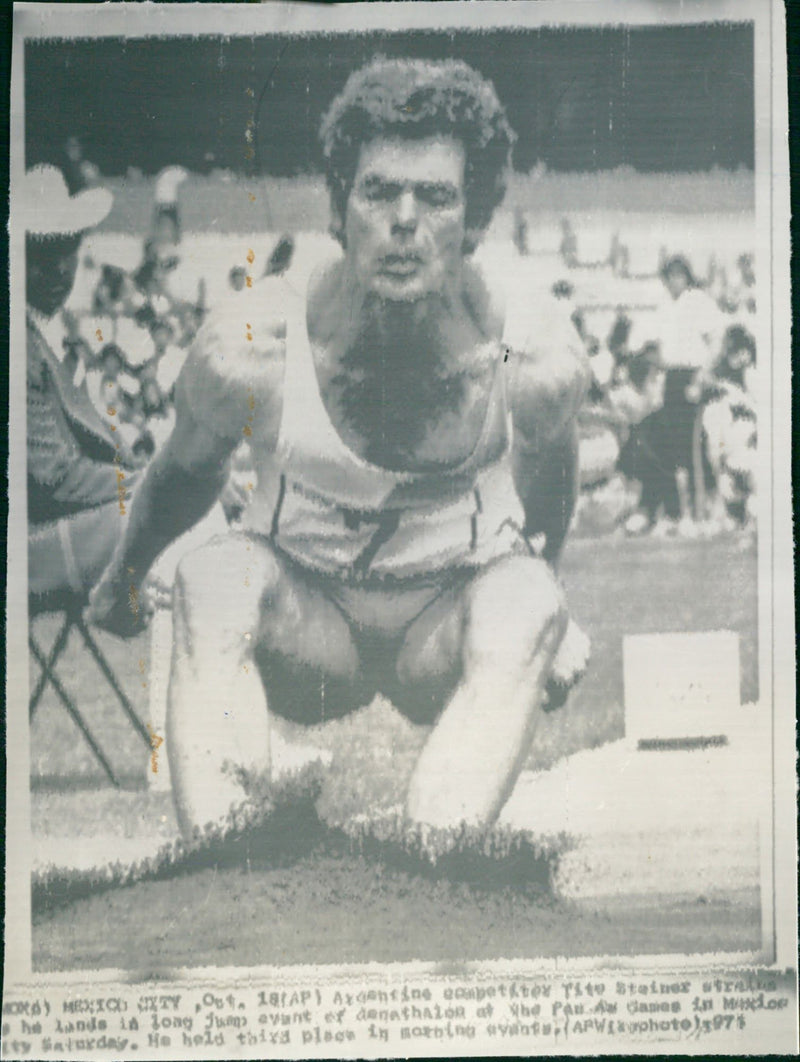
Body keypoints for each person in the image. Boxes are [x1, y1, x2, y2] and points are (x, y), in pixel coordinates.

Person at [89, 58, 590, 841]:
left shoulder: (530, 355)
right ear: (338, 205)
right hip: (310, 628)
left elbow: (552, 481)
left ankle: (433, 862)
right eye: (379, 190)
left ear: (476, 218)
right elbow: (184, 474)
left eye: (435, 196)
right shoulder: (249, 346)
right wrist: (121, 579)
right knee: (211, 573)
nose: (403, 219)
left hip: (443, 625)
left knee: (527, 599)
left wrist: (551, 605)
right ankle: (225, 856)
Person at [22, 164, 138, 596]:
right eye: (39, 255)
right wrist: (147, 483)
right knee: (172, 515)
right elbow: (54, 477)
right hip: (32, 542)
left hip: (56, 521)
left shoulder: (46, 333)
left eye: (66, 250)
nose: (55, 270)